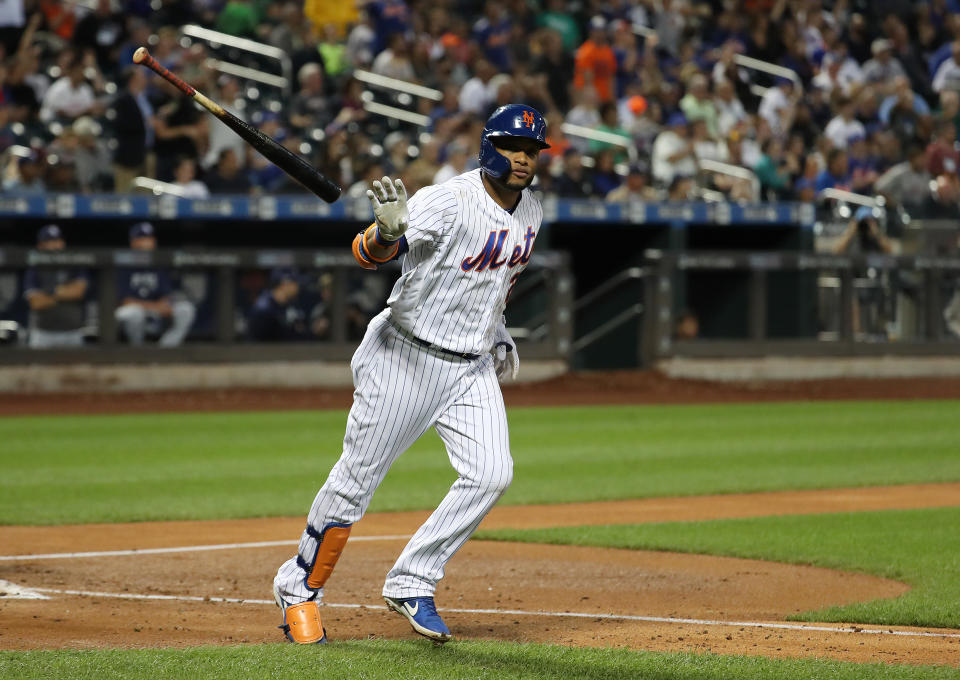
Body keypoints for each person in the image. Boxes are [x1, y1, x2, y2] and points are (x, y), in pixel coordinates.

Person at [272, 104, 548, 645]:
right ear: (491, 146)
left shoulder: (532, 210)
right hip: (406, 358)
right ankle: (299, 588)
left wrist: (497, 329)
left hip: (470, 366)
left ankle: (412, 580)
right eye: (514, 147)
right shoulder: (447, 199)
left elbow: (499, 281)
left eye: (532, 150)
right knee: (355, 482)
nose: (523, 158)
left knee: (492, 473)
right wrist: (384, 232)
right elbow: (367, 253)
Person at [115, 222, 195, 346]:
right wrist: (154, 307)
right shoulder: (123, 264)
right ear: (133, 242)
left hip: (154, 311)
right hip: (131, 312)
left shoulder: (158, 264)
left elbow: (166, 295)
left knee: (186, 309)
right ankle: (137, 351)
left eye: (149, 238)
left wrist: (162, 306)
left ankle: (165, 350)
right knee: (134, 313)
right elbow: (126, 301)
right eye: (142, 238)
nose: (146, 242)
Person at [23, 225, 88, 348]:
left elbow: (78, 291)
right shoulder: (34, 269)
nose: (55, 245)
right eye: (49, 242)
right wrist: (65, 293)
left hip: (73, 333)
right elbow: (36, 302)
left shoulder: (74, 263)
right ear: (40, 246)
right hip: (43, 334)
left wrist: (49, 293)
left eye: (57, 241)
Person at [246, 268, 315, 341]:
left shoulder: (286, 305)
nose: (298, 288)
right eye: (296, 283)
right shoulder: (263, 309)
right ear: (285, 284)